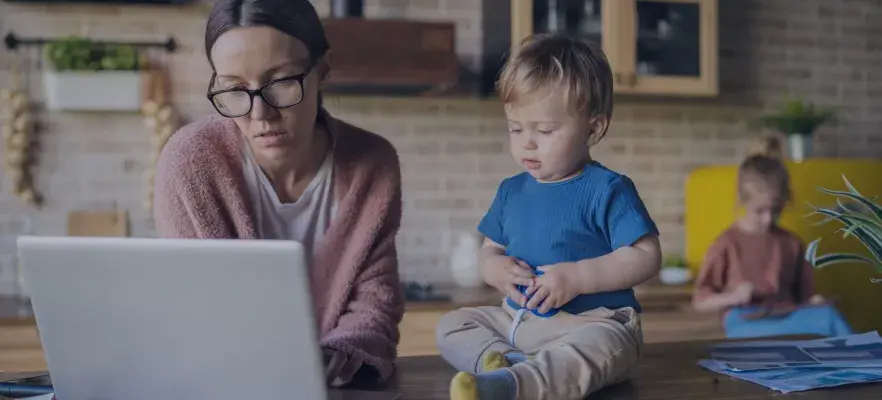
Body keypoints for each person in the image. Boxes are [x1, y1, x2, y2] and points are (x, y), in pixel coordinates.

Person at [152, 0, 404, 388]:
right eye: (235, 89)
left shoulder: (373, 165)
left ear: (322, 70)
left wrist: (336, 357)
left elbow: (376, 300)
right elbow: (199, 308)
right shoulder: (190, 163)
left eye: (281, 82)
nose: (260, 115)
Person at [435, 34, 662, 400]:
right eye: (516, 128)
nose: (527, 142)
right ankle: (507, 363)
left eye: (544, 130)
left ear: (593, 127)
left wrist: (576, 277)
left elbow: (647, 257)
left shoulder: (608, 188)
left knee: (605, 345)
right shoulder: (511, 190)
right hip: (516, 323)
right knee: (452, 325)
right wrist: (495, 269)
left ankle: (512, 386)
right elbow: (489, 251)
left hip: (591, 324)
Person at [691, 137, 853, 339]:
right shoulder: (727, 243)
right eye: (760, 211)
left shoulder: (791, 243)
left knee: (828, 317)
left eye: (776, 210)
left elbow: (806, 299)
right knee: (753, 336)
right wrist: (733, 296)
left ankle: (867, 366)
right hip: (744, 320)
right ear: (742, 200)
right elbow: (700, 302)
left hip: (787, 315)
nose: (768, 219)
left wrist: (818, 302)